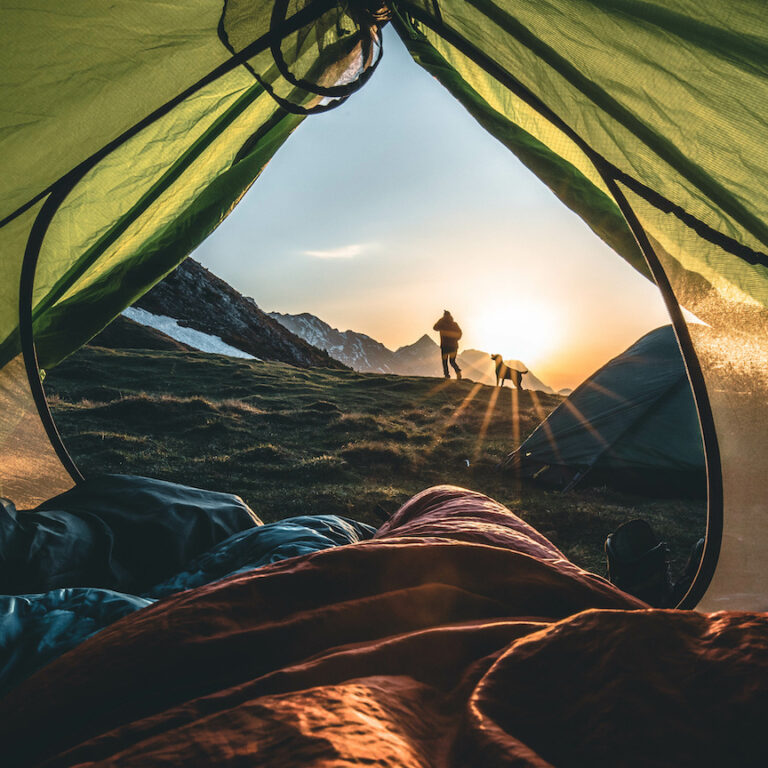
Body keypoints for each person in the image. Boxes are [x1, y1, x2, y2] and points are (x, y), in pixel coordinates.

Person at [433, 310, 462, 379]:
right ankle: (458, 373)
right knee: (452, 361)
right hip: (454, 346)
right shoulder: (455, 324)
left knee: (445, 361)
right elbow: (460, 333)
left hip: (445, 346)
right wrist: (456, 339)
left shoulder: (442, 324)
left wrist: (440, 320)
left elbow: (435, 328)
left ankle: (447, 375)